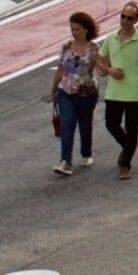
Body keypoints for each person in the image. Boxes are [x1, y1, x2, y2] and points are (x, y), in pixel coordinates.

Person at [95, 0, 138, 178]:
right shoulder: (111, 38)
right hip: (114, 91)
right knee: (111, 124)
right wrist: (109, 70)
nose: (124, 21)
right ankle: (127, 147)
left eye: (129, 18)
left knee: (132, 128)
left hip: (133, 93)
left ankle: (125, 163)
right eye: (122, 16)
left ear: (136, 20)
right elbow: (99, 59)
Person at [44, 10, 99, 178]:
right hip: (65, 92)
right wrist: (53, 90)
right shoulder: (66, 48)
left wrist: (109, 70)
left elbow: (102, 68)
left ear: (86, 30)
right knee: (67, 125)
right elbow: (61, 69)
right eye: (72, 29)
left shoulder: (95, 49)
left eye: (77, 29)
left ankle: (86, 153)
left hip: (87, 93)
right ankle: (65, 162)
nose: (74, 32)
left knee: (85, 125)